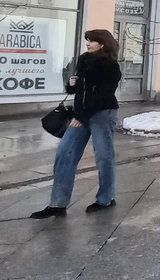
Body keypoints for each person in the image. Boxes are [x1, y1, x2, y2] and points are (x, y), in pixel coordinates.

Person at [31, 30, 122, 218]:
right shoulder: (84, 61)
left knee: (104, 157)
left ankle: (106, 198)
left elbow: (103, 95)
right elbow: (82, 91)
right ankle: (57, 203)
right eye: (87, 40)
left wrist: (81, 116)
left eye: (92, 41)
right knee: (64, 153)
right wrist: (73, 85)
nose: (87, 43)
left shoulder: (110, 65)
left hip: (102, 115)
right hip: (81, 114)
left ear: (102, 44)